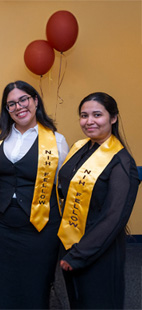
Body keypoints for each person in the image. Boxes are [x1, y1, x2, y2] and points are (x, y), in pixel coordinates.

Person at [0, 80, 69, 309]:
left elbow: (63, 185)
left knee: (35, 285)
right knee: (1, 286)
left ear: (35, 101)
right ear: (6, 109)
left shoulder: (56, 141)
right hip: (0, 225)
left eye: (23, 100)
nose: (19, 107)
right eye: (11, 104)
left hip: (40, 228)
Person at [57, 92, 140, 309]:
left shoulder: (122, 163)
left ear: (113, 118)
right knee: (77, 301)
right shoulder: (81, 148)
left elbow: (114, 218)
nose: (89, 121)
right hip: (72, 242)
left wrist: (78, 254)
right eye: (84, 115)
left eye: (97, 114)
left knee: (98, 302)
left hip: (99, 250)